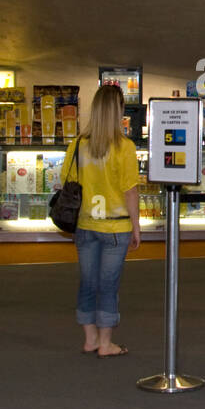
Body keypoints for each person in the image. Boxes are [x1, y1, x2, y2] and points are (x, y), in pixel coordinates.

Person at [62, 84, 141, 358]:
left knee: (87, 282)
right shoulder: (125, 148)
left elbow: (67, 182)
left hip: (85, 224)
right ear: (117, 112)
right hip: (115, 226)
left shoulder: (78, 144)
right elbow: (130, 190)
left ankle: (90, 338)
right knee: (108, 286)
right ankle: (106, 343)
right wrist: (136, 226)